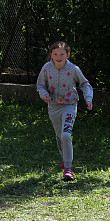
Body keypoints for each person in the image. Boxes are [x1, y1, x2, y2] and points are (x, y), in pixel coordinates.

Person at [37, 41, 93, 181]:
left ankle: (68, 169)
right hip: (53, 106)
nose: (58, 57)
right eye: (55, 54)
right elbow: (40, 85)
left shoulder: (73, 69)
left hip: (69, 104)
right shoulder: (46, 68)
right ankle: (64, 158)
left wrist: (88, 98)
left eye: (62, 54)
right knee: (59, 136)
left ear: (68, 55)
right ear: (51, 55)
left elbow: (85, 83)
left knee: (66, 135)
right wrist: (43, 94)